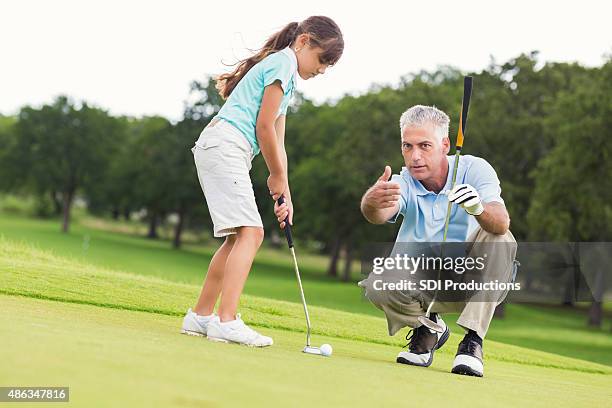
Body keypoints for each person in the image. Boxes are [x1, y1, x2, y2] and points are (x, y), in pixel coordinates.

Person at [181, 16, 344, 347]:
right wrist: (275, 174)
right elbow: (264, 127)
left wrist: (284, 190)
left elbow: (278, 140)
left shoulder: (286, 74)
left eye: (329, 65)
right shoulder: (283, 64)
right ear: (303, 42)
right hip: (226, 145)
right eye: (322, 59)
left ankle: (200, 316)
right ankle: (226, 321)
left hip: (221, 146)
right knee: (252, 233)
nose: (323, 69)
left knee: (236, 238)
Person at [359, 105, 517, 377]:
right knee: (377, 285)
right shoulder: (404, 182)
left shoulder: (475, 169)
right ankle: (430, 328)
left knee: (499, 237)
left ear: (445, 145)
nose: (415, 156)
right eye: (407, 146)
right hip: (426, 282)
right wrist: (371, 202)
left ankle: (472, 342)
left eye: (424, 146)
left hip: (477, 278)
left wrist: (478, 209)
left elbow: (501, 222)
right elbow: (380, 214)